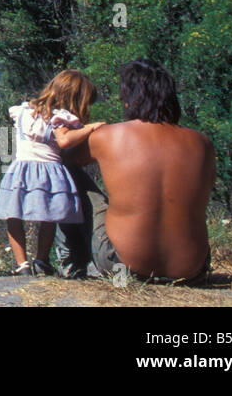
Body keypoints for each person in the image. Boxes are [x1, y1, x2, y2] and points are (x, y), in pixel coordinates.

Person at [57, 59, 215, 284]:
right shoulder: (203, 144)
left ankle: (71, 264)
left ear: (129, 99)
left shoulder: (108, 136)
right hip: (191, 270)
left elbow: (66, 160)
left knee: (65, 173)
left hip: (121, 265)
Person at [0, 70, 106, 275]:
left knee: (14, 215)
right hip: (50, 171)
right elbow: (64, 141)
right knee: (48, 218)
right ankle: (41, 260)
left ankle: (22, 265)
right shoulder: (61, 118)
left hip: (22, 168)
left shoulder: (25, 111)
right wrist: (90, 128)